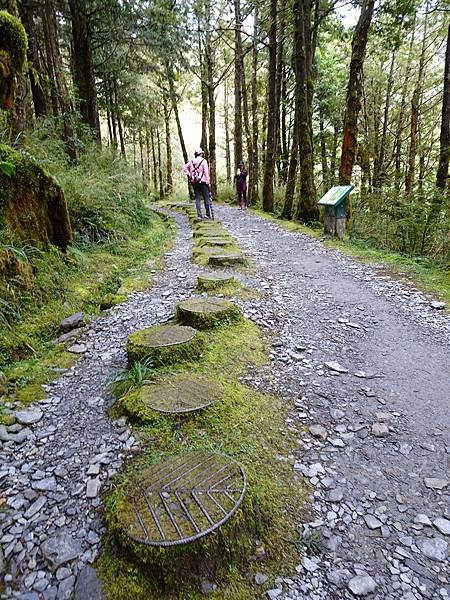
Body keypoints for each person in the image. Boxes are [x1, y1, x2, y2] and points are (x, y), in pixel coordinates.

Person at [183, 148, 212, 219]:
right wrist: (208, 182)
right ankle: (207, 214)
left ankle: (199, 215)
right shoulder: (204, 161)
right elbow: (206, 172)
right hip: (203, 182)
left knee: (197, 198)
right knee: (206, 197)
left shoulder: (192, 161)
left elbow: (184, 167)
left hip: (195, 182)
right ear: (201, 154)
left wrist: (189, 174)